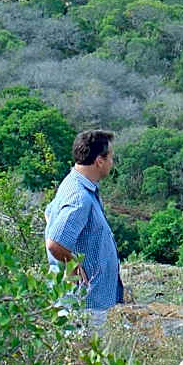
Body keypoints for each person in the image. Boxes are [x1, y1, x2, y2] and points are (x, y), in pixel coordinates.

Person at [44, 129, 123, 328]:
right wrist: (73, 264)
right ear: (99, 161)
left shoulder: (73, 184)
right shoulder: (80, 196)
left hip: (87, 302)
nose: (112, 163)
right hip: (84, 306)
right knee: (83, 357)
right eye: (110, 157)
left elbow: (48, 214)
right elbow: (54, 242)